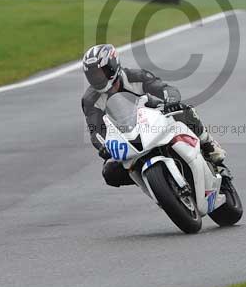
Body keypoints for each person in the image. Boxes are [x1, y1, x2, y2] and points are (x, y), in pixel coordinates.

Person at [81, 43, 227, 187]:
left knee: (184, 110)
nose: (97, 78)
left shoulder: (135, 76)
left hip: (153, 118)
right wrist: (103, 146)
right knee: (110, 173)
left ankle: (208, 144)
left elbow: (165, 89)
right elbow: (96, 130)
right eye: (92, 75)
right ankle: (152, 182)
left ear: (113, 65)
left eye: (100, 73)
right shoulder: (90, 100)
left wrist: (171, 101)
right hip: (125, 138)